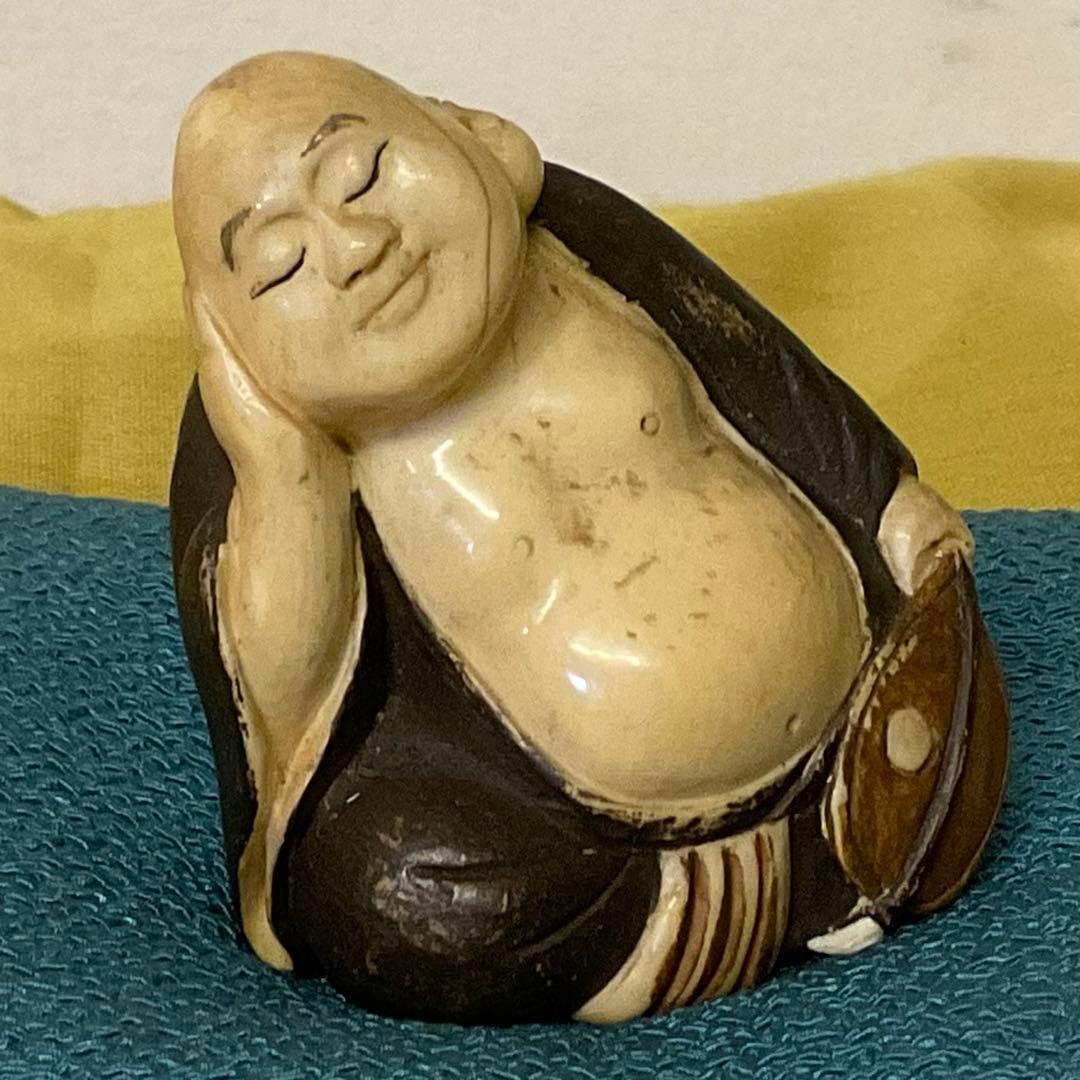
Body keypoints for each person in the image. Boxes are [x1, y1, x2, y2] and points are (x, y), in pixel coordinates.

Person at [170, 51, 1007, 1023]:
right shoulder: (271, 457)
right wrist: (281, 464)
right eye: (281, 262)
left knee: (935, 614)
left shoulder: (576, 236)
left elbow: (764, 369)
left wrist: (889, 508)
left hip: (860, 671)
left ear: (469, 130)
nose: (356, 246)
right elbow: (283, 710)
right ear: (230, 343)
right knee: (387, 890)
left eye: (362, 173)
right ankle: (778, 877)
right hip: (581, 838)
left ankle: (869, 802)